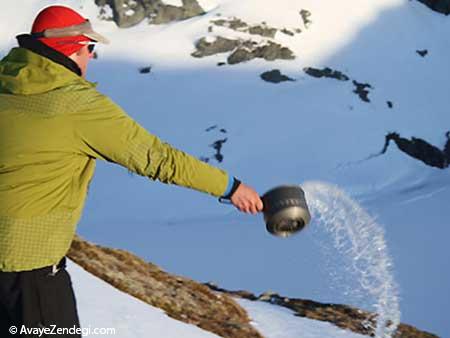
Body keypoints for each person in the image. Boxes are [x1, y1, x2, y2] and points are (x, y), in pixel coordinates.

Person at [0, 5, 263, 337]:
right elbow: (158, 158)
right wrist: (230, 187)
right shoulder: (76, 105)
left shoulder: (5, 81)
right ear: (70, 49)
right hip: (31, 269)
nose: (91, 57)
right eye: (89, 48)